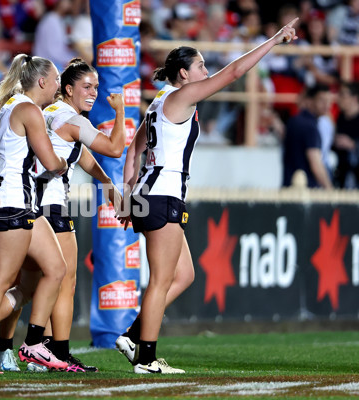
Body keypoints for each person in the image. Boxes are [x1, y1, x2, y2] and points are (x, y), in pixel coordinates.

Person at [116, 18, 300, 374]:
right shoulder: (182, 97)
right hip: (163, 196)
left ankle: (132, 335)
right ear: (183, 74)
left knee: (183, 275)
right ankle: (147, 358)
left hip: (152, 195)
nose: (205, 70)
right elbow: (233, 73)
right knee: (161, 281)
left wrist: (128, 192)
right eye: (200, 65)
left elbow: (134, 149)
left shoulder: (160, 102)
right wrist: (274, 39)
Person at [0, 58, 126, 373]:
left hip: (27, 203)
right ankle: (51, 349)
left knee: (26, 285)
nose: (94, 92)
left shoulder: (44, 113)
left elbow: (79, 154)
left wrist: (108, 185)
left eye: (96, 86)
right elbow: (114, 148)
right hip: (43, 205)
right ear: (65, 88)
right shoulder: (62, 116)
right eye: (87, 86)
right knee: (60, 278)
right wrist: (121, 111)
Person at [0, 54, 69, 375]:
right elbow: (51, 162)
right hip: (13, 202)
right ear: (42, 82)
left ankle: (32, 344)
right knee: (2, 280)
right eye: (57, 79)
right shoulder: (29, 110)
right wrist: (64, 161)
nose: (59, 85)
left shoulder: (8, 107)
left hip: (19, 199)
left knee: (54, 269)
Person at [282, 85, 334, 189]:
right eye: (322, 100)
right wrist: (330, 191)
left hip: (288, 187)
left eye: (328, 101)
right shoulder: (310, 127)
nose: (326, 105)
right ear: (310, 101)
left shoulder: (293, 120)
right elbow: (315, 163)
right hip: (306, 190)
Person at [333, 82, 359, 188]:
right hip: (342, 172)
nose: (339, 99)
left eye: (343, 95)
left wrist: (353, 145)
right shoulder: (340, 118)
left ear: (354, 98)